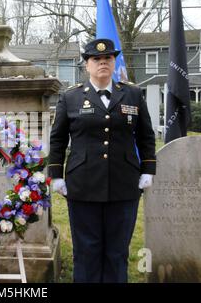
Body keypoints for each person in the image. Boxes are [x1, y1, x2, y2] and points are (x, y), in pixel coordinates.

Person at [49, 38, 156, 283]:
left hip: (124, 184)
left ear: (114, 62)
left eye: (107, 58)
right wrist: (55, 175)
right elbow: (57, 139)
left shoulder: (132, 94)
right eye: (96, 59)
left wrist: (148, 169)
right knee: (86, 250)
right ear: (86, 65)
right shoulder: (71, 97)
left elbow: (146, 135)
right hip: (83, 184)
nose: (102, 63)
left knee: (117, 251)